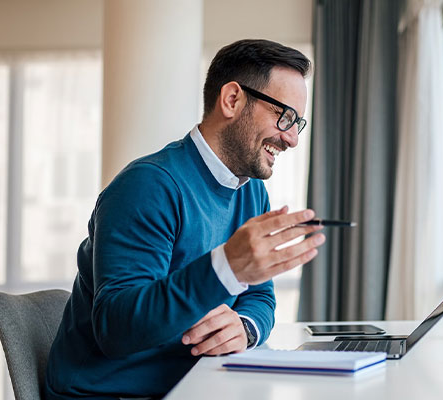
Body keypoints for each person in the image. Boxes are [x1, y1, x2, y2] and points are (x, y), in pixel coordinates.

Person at [44, 39, 325, 399]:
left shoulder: (251, 192)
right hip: (108, 393)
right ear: (232, 100)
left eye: (297, 123)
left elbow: (261, 296)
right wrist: (226, 267)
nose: (291, 138)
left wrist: (245, 326)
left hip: (193, 385)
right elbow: (117, 329)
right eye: (283, 116)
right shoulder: (147, 185)